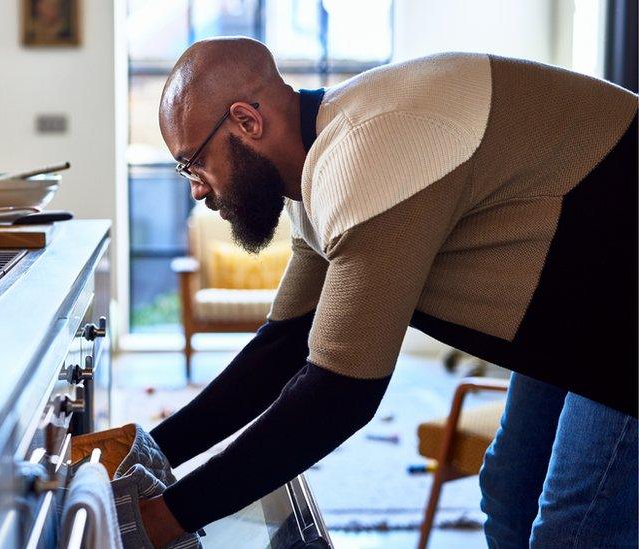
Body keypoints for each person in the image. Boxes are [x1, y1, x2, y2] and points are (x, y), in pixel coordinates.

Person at [140, 37, 638, 548]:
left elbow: (339, 393)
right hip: (586, 299)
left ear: (246, 122)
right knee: (511, 491)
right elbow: (284, 345)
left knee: (576, 527)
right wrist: (150, 453)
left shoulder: (367, 156)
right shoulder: (317, 172)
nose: (196, 190)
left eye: (192, 163)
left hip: (624, 306)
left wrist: (167, 517)